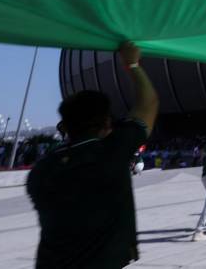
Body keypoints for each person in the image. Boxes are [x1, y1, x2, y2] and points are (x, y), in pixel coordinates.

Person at [27, 42, 158, 269]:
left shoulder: (41, 169)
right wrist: (132, 64)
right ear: (106, 123)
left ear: (64, 126)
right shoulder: (110, 152)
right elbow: (149, 103)